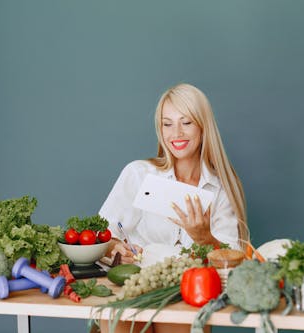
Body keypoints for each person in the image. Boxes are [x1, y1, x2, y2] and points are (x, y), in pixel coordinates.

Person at [98, 83, 248, 333]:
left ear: (203, 126)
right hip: (132, 288)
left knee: (180, 321)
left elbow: (233, 263)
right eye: (167, 124)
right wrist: (116, 248)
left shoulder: (221, 188)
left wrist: (205, 238)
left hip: (188, 293)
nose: (176, 133)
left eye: (186, 122)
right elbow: (103, 235)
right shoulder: (138, 173)